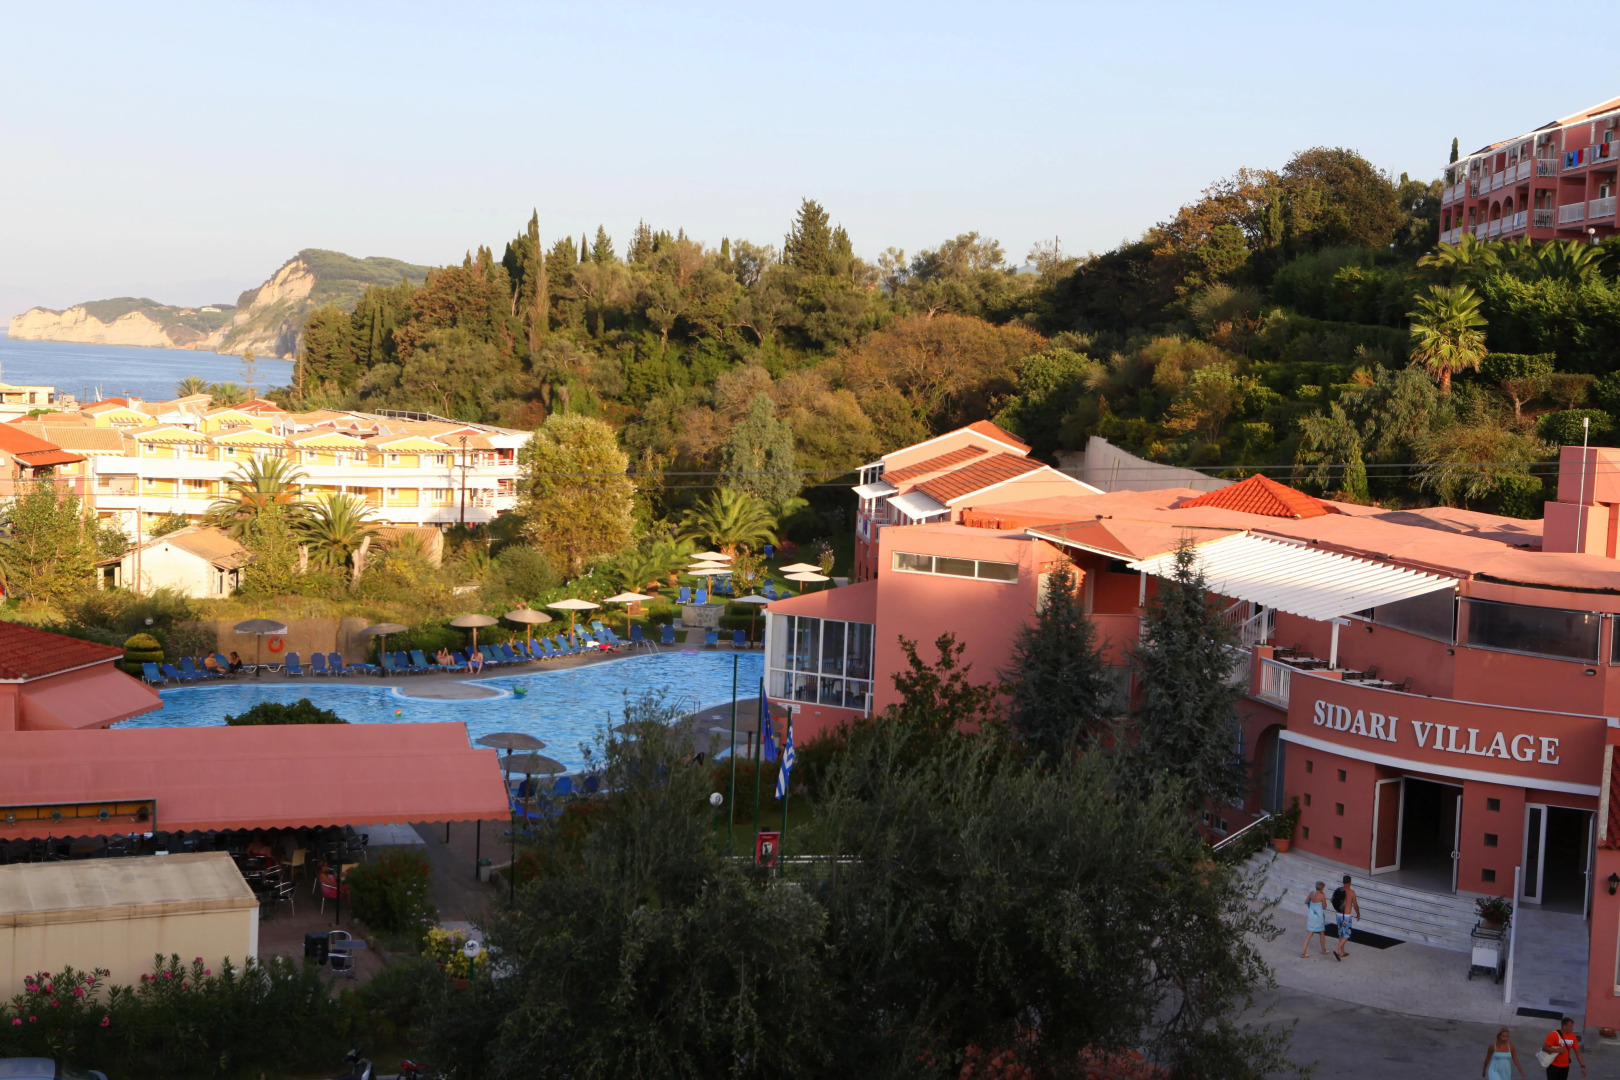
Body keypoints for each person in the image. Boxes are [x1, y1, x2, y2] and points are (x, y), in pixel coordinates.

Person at [1332, 874, 1360, 960]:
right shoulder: (1351, 892)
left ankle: (1342, 952)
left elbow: (1332, 900)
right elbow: (1355, 904)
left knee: (1341, 933)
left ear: (1343, 882)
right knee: (1347, 934)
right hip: (1346, 916)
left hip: (1338, 914)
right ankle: (1337, 950)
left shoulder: (1338, 890)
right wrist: (1358, 913)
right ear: (1350, 882)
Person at [1301, 880, 1328, 957]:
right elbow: (1324, 906)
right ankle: (1323, 950)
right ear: (1322, 888)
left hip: (1312, 915)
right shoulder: (1322, 895)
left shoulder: (1311, 893)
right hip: (1319, 916)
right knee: (1321, 932)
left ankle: (1303, 951)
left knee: (1309, 933)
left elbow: (1306, 902)